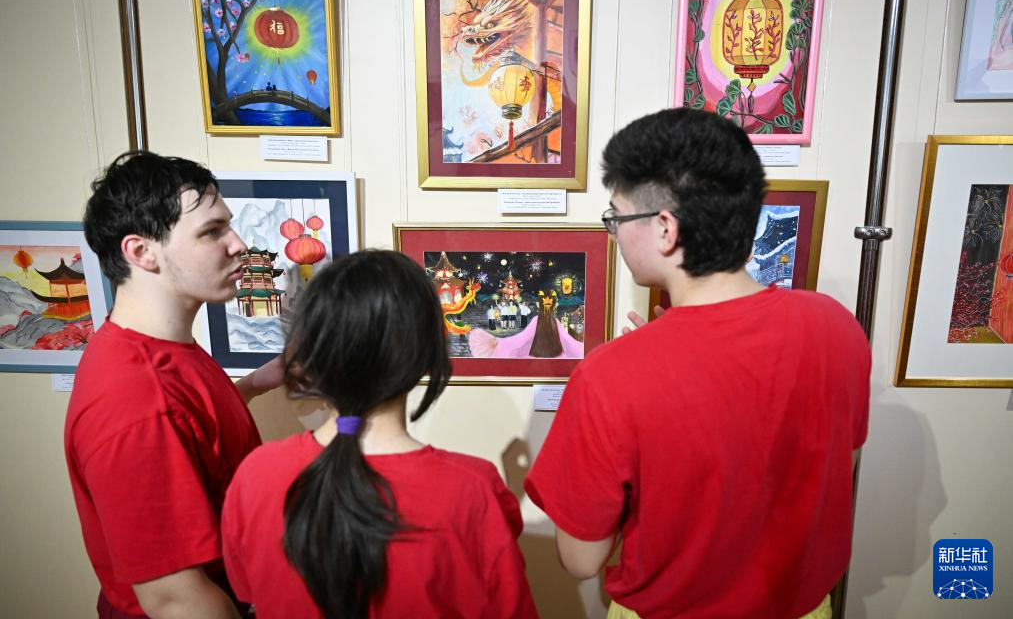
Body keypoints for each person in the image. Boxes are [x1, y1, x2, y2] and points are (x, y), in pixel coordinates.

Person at [524, 108, 870, 619]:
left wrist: (644, 367)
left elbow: (581, 560)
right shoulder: (836, 326)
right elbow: (837, 466)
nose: (614, 234)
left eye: (616, 218)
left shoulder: (609, 376)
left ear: (665, 229)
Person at [221, 250, 538, 619]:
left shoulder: (255, 473)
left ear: (312, 356)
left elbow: (247, 588)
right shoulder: (473, 490)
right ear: (425, 355)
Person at [64, 152, 284, 619]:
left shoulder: (158, 349)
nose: (238, 244)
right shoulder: (136, 399)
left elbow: (192, 435)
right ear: (142, 252)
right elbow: (175, 599)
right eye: (212, 231)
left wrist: (256, 383)